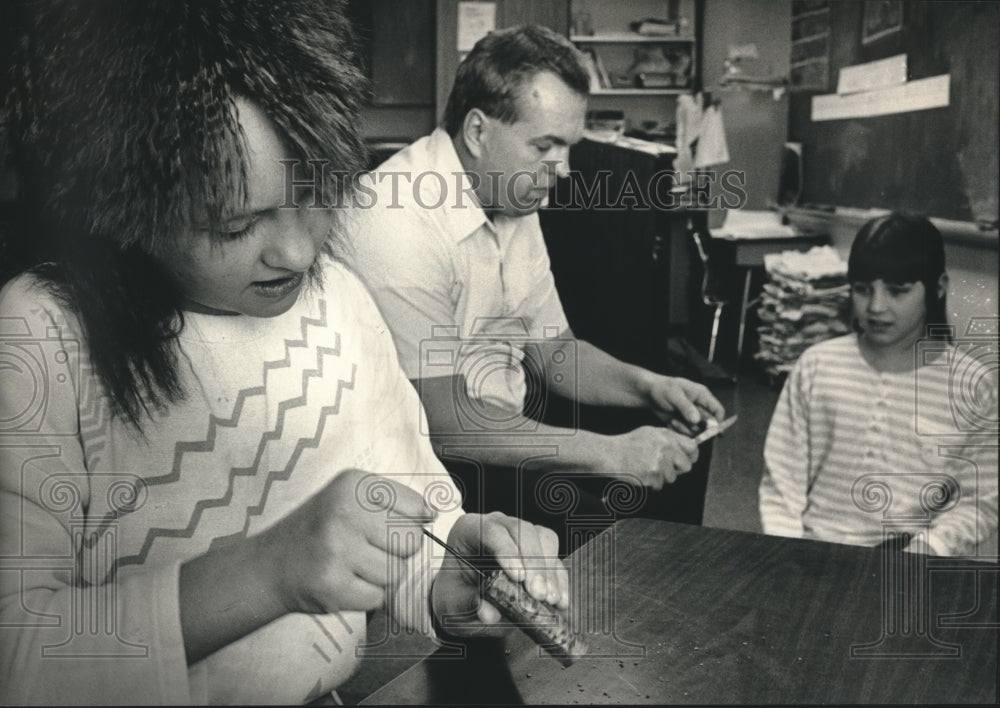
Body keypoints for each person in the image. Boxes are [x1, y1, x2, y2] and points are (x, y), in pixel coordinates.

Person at [0, 2, 568, 704]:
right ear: (123, 209)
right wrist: (269, 571)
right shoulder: (42, 336)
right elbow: (15, 655)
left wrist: (458, 581)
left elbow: (412, 534)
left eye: (320, 195)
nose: (298, 251)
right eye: (236, 223)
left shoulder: (339, 306)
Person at [344, 25, 725, 546]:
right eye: (545, 145)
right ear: (478, 132)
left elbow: (553, 351)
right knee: (614, 536)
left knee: (679, 479)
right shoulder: (395, 216)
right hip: (422, 470)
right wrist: (610, 454)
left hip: (499, 444)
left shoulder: (511, 194)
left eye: (567, 146)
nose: (563, 169)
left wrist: (648, 387)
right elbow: (447, 420)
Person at [759, 213, 997, 556]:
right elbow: (781, 484)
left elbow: (980, 500)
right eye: (862, 289)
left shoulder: (972, 386)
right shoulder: (817, 366)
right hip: (811, 556)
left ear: (938, 287)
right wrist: (791, 551)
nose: (876, 306)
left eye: (898, 291)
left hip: (910, 564)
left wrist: (929, 547)